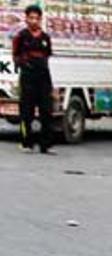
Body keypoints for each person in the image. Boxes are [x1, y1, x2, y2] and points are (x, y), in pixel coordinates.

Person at [12, 5, 54, 154]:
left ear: (40, 19)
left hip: (43, 77)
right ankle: (26, 143)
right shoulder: (21, 36)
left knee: (46, 111)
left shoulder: (45, 38)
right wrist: (23, 63)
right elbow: (15, 55)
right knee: (26, 112)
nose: (34, 21)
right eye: (31, 18)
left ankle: (45, 145)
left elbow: (47, 56)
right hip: (27, 78)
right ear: (26, 18)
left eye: (37, 18)